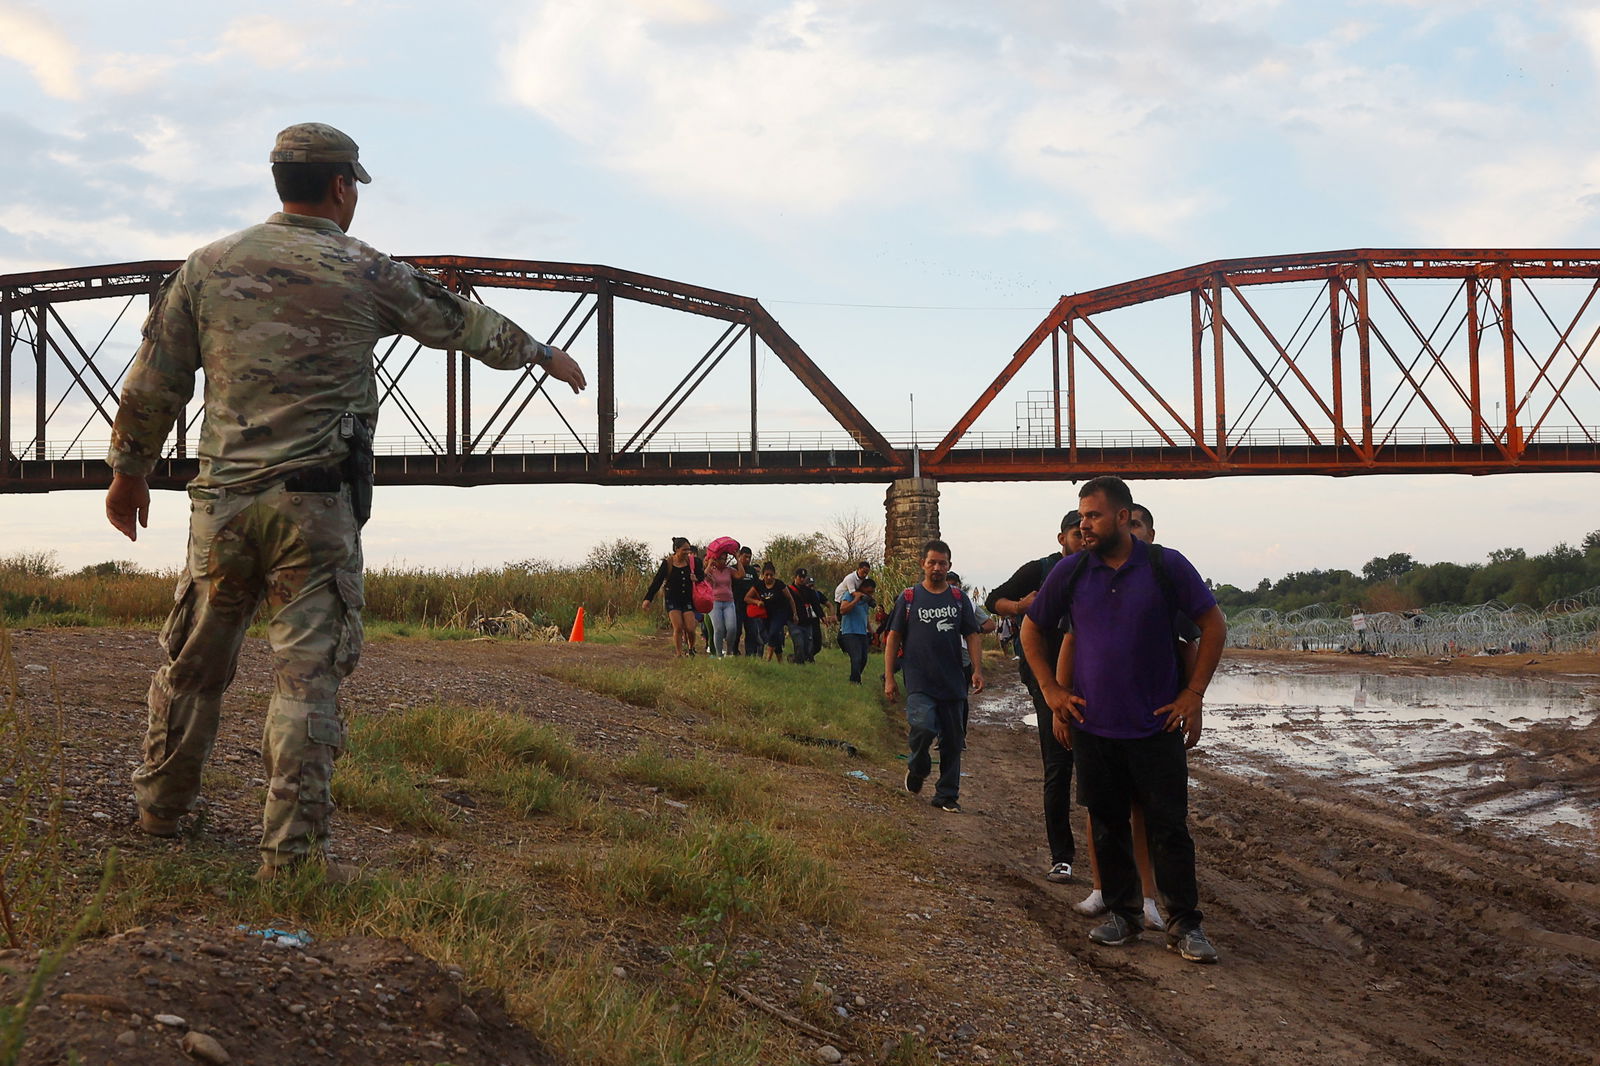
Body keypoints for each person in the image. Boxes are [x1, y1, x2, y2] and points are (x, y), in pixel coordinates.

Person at [104, 122, 587, 881]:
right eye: (355, 185)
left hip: (222, 507)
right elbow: (458, 321)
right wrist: (539, 353)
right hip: (315, 510)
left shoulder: (206, 267)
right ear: (340, 187)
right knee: (305, 677)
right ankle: (290, 858)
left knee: (194, 661)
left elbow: (155, 376)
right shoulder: (364, 270)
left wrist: (128, 472)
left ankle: (160, 810)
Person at [1022, 476, 1227, 963]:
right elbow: (1034, 629)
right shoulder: (1071, 573)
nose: (1083, 524)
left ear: (1120, 516)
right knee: (1107, 823)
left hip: (1155, 725)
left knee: (1169, 828)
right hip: (1095, 726)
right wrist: (1052, 690)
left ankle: (1185, 925)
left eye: (1092, 515)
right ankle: (1124, 915)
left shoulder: (1164, 565)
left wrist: (1193, 694)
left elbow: (1212, 625)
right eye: (1080, 516)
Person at [985, 512, 1084, 885]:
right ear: (1062, 538)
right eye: (1078, 532)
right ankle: (1062, 856)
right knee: (1058, 764)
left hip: (1090, 679)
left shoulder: (1101, 569)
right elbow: (995, 599)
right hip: (1046, 680)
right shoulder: (1041, 569)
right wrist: (1021, 606)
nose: (1084, 536)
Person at [883, 540, 984, 813]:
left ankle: (947, 795)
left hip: (953, 681)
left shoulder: (959, 599)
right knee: (923, 727)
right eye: (932, 563)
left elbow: (972, 635)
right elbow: (893, 637)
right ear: (922, 564)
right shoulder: (908, 598)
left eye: (942, 563)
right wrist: (890, 677)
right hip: (919, 680)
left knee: (953, 740)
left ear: (949, 565)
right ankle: (918, 766)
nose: (937, 568)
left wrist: (977, 669)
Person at [642, 537, 706, 657]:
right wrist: (648, 599)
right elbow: (657, 582)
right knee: (678, 627)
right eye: (684, 550)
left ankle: (691, 648)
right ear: (676, 549)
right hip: (672, 599)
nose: (687, 552)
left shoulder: (694, 562)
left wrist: (696, 578)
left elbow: (702, 576)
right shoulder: (668, 563)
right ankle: (679, 654)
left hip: (687, 599)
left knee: (691, 628)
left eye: (688, 549)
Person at [745, 562, 797, 661]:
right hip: (766, 614)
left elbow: (790, 599)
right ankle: (780, 660)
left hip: (780, 612)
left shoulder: (779, 585)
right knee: (773, 636)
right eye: (766, 575)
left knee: (774, 632)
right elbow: (747, 598)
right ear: (763, 575)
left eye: (771, 575)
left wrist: (794, 613)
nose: (769, 577)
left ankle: (767, 659)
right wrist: (757, 602)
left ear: (774, 575)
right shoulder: (759, 585)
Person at [705, 545, 744, 657]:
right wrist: (710, 563)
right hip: (715, 602)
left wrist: (737, 559)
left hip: (729, 602)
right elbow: (704, 577)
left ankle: (729, 651)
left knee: (732, 628)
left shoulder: (729, 570)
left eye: (725, 559)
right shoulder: (711, 570)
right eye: (721, 559)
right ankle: (718, 655)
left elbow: (741, 575)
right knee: (719, 629)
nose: (723, 561)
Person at [837, 577, 876, 684]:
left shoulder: (866, 601)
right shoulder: (849, 595)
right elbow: (842, 610)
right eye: (868, 592)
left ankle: (854, 678)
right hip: (850, 632)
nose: (870, 595)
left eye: (871, 593)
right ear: (862, 588)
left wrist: (871, 630)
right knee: (856, 657)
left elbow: (865, 616)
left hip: (862, 633)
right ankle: (855, 682)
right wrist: (856, 600)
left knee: (863, 659)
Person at [786, 567, 823, 664]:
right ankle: (799, 666)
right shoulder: (788, 590)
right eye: (800, 577)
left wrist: (823, 617)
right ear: (795, 577)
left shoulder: (809, 592)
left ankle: (793, 659)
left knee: (807, 648)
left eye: (803, 577)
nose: (802, 579)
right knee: (799, 644)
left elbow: (816, 605)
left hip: (807, 623)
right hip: (795, 622)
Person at [731, 546, 760, 656]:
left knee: (752, 631)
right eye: (745, 557)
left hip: (749, 606)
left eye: (750, 557)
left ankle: (750, 653)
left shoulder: (752, 571)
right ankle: (734, 650)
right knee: (737, 631)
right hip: (736, 605)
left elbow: (757, 587)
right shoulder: (732, 569)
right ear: (739, 556)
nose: (748, 559)